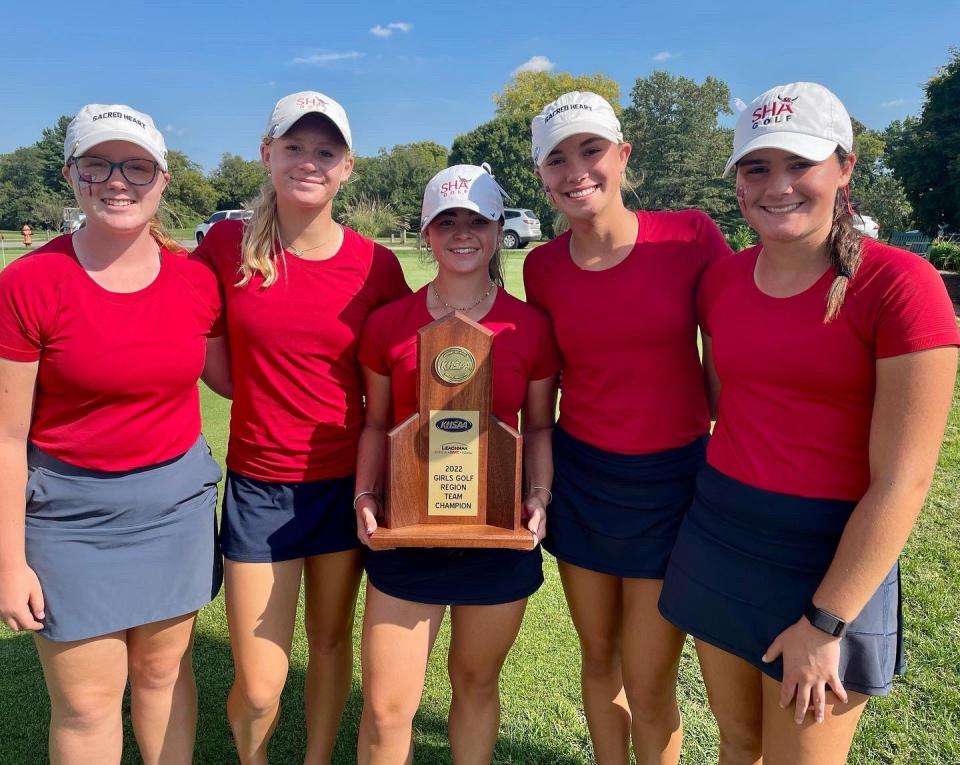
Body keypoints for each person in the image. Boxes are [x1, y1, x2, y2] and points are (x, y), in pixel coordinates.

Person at [658, 82, 960, 764]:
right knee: (737, 743)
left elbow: (905, 481)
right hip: (721, 534)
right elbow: (721, 405)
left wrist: (826, 620)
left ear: (845, 167)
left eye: (800, 164)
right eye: (757, 167)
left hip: (829, 557)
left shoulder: (901, 284)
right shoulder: (721, 282)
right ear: (737, 181)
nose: (778, 185)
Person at [0, 104, 223, 764]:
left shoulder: (196, 280)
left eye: (136, 165)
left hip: (174, 510)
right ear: (71, 174)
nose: (117, 180)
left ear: (163, 178)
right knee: (88, 701)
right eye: (96, 163)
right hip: (69, 516)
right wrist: (9, 561)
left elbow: (239, 379)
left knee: (163, 677)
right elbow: (9, 436)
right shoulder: (30, 282)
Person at [193, 91, 410, 764]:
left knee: (329, 641)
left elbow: (405, 376)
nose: (309, 162)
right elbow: (217, 365)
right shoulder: (227, 244)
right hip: (261, 486)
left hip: (348, 486)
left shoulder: (378, 266)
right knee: (259, 683)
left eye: (325, 151)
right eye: (294, 147)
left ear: (347, 167)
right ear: (267, 155)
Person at [523, 91, 732, 765]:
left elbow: (731, 351)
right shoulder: (542, 267)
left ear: (623, 155)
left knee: (648, 678)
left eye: (591, 150)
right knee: (598, 657)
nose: (576, 170)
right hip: (585, 480)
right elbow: (544, 386)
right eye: (558, 158)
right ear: (541, 176)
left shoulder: (692, 236)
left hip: (673, 483)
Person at [354, 164, 560, 763]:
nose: (462, 233)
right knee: (388, 706)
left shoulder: (532, 326)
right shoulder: (388, 325)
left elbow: (541, 426)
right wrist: (365, 496)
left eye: (477, 220)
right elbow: (376, 423)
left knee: (475, 684)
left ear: (499, 230)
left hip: (496, 533)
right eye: (447, 221)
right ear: (426, 232)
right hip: (408, 533)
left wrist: (539, 497)